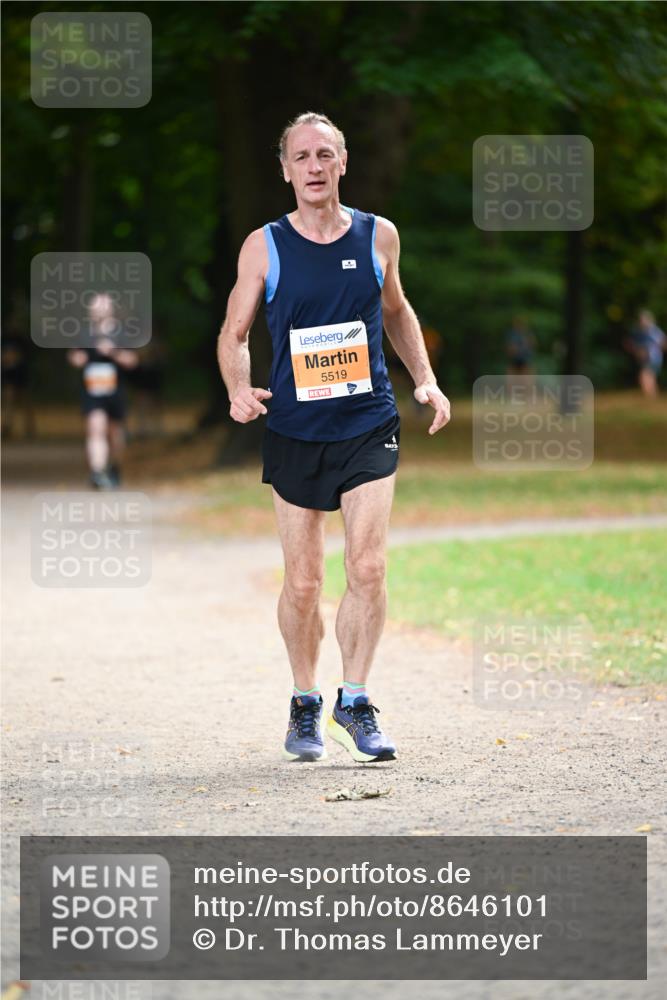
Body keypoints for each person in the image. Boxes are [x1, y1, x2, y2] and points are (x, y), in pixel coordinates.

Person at [217, 112, 450, 764]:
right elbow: (233, 334)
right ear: (285, 169)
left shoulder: (380, 237)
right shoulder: (264, 246)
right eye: (301, 156)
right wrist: (238, 389)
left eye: (325, 154)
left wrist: (425, 380)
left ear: (342, 162)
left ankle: (355, 697)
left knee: (368, 565)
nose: (314, 166)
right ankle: (303, 699)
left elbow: (397, 311)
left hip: (367, 423)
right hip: (294, 429)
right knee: (301, 584)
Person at [67, 292, 138, 489]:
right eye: (95, 306)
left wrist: (113, 352)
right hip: (92, 391)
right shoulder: (84, 333)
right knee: (95, 429)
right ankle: (97, 473)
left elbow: (133, 361)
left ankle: (114, 466)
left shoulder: (122, 333)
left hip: (115, 391)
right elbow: (73, 356)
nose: (98, 310)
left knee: (116, 434)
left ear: (110, 309)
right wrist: (78, 360)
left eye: (102, 306)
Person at [624, 309, 666, 397]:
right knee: (650, 377)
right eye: (641, 320)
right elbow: (630, 343)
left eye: (644, 320)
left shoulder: (653, 331)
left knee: (644, 375)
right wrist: (636, 351)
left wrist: (650, 351)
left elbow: (663, 342)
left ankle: (648, 396)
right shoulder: (638, 331)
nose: (642, 322)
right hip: (645, 359)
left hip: (653, 358)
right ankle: (653, 397)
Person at [505, 315, 536, 388]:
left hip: (525, 360)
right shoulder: (512, 334)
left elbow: (533, 344)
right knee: (512, 380)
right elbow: (510, 349)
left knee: (527, 380)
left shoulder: (527, 334)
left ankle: (527, 394)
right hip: (514, 360)